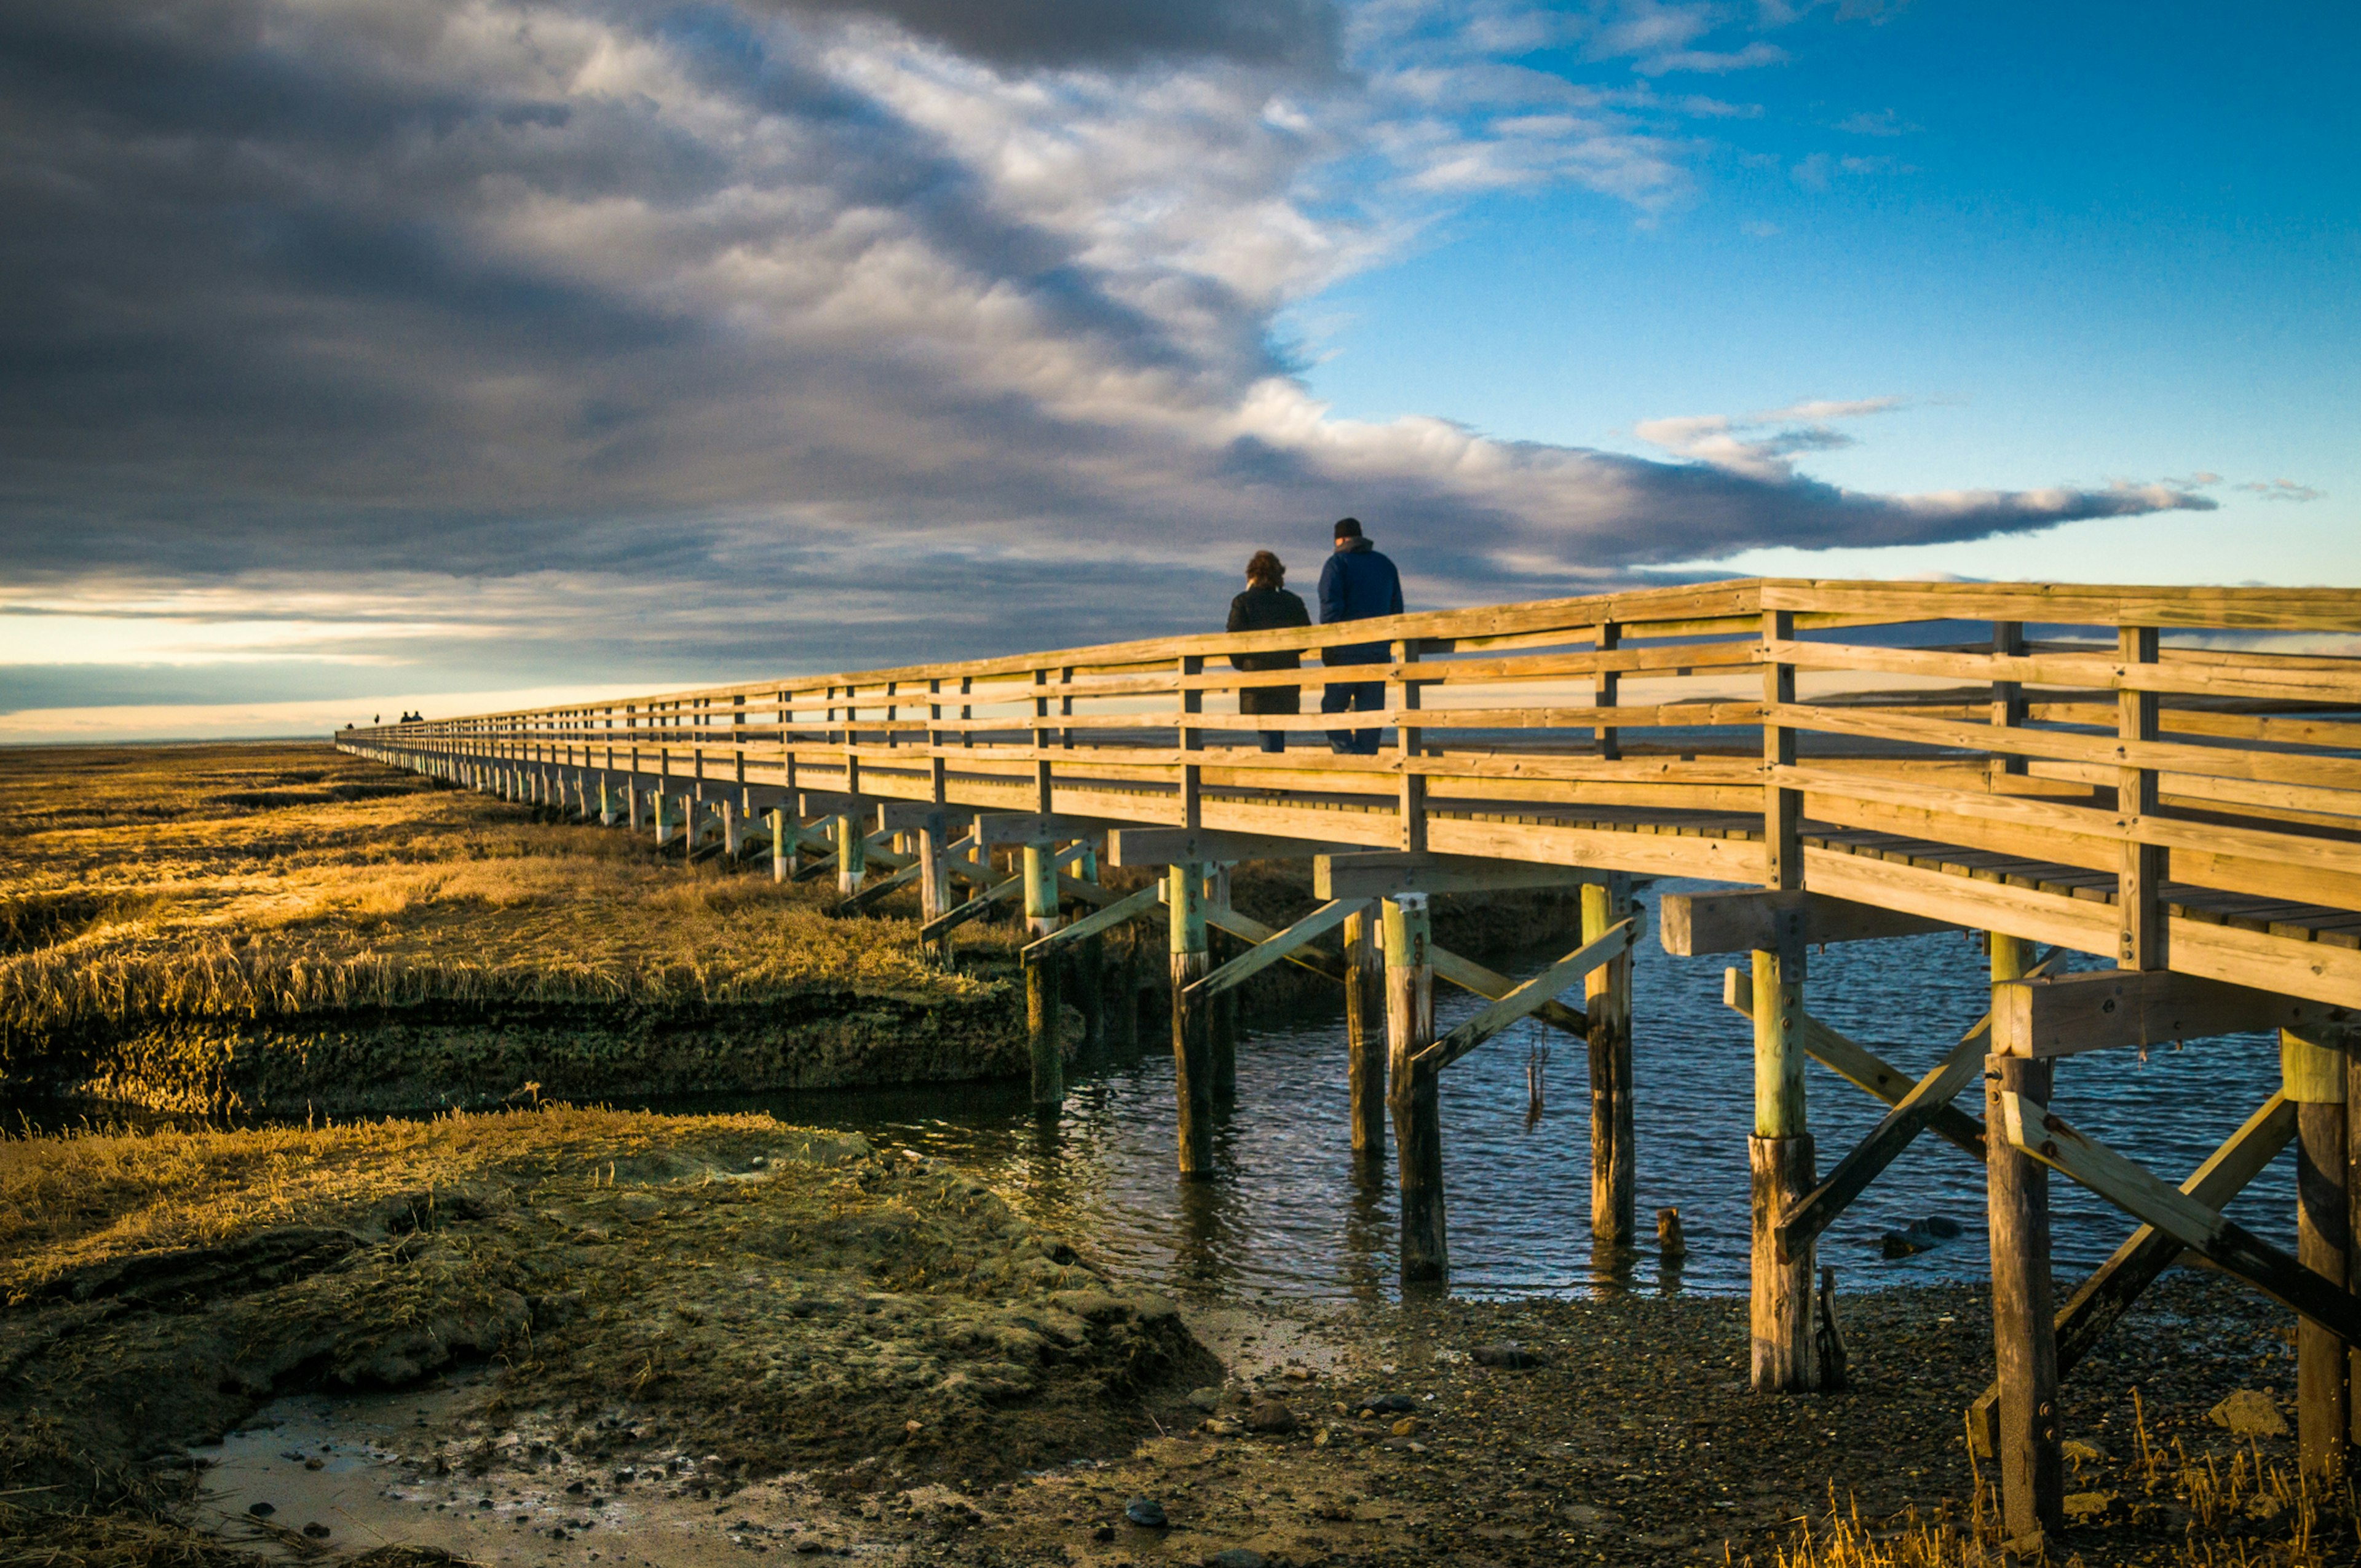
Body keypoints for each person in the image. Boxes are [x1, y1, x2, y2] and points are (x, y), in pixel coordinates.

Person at [1316, 517, 1402, 754]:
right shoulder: (1386, 565)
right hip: (1379, 650)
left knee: (1332, 706)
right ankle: (1368, 759)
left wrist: (1330, 645)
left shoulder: (1337, 564)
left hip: (1346, 650)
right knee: (1371, 712)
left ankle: (1348, 755)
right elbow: (1397, 610)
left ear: (1340, 539)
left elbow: (1330, 610)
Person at [1227, 550, 1310, 753]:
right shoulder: (1292, 602)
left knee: (1266, 727)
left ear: (1252, 575)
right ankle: (1276, 774)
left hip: (1257, 675)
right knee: (1277, 726)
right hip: (1287, 673)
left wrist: (1242, 664)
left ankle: (1274, 779)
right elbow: (1306, 640)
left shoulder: (1243, 602)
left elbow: (1233, 641)